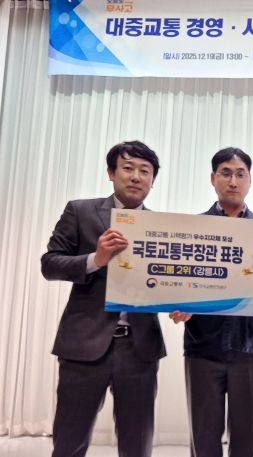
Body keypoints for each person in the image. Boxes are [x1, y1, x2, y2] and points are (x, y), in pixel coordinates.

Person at [41, 140, 166, 457]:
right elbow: (50, 264)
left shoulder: (163, 228)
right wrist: (94, 260)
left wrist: (183, 303)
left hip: (140, 348)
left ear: (153, 180)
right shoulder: (80, 211)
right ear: (111, 173)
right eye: (127, 168)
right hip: (84, 346)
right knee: (69, 441)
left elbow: (169, 280)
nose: (136, 176)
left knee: (137, 444)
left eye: (145, 171)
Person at [170, 147, 253, 457]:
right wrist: (178, 305)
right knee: (203, 436)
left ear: (250, 180)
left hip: (251, 346)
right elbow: (180, 280)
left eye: (240, 174)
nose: (233, 181)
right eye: (226, 173)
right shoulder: (193, 228)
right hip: (203, 346)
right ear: (213, 178)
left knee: (246, 437)